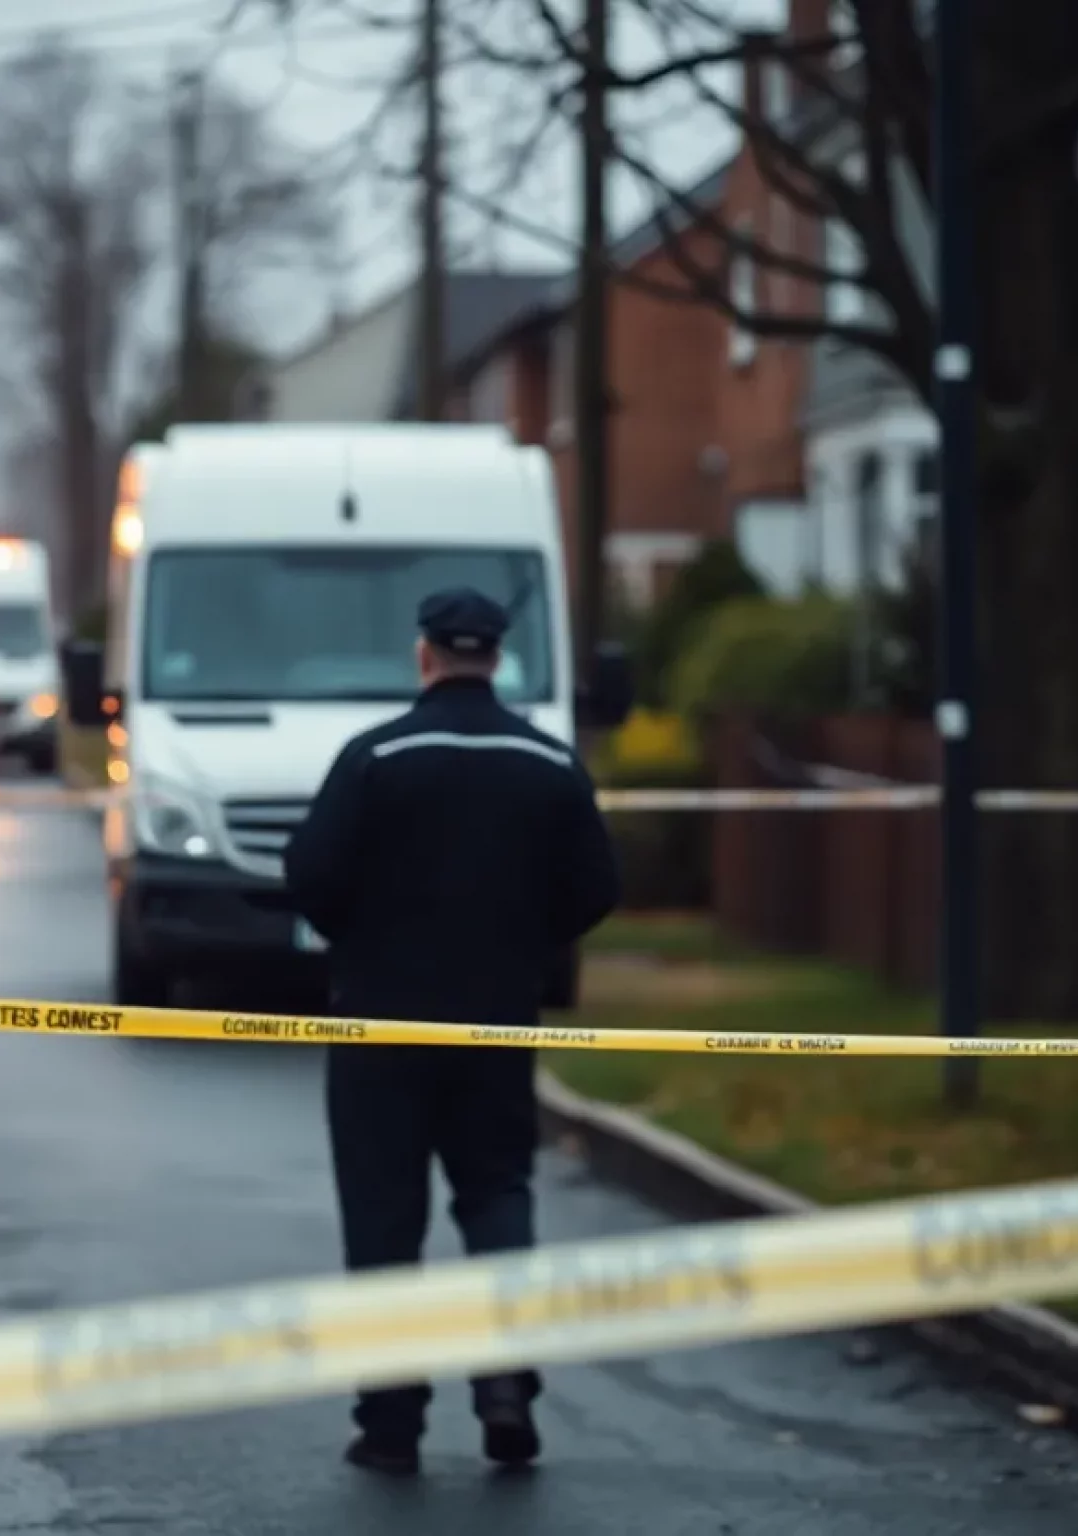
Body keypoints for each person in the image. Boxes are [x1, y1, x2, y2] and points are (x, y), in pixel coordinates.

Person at [283, 585, 621, 1477]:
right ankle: (505, 1385)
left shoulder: (376, 757)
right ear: (497, 659)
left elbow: (310, 874)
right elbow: (595, 887)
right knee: (497, 1193)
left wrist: (360, 933)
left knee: (385, 1219)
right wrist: (524, 940)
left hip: (377, 1026)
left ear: (424, 654)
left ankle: (391, 1425)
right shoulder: (547, 763)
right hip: (497, 1019)